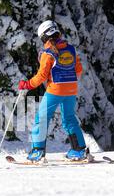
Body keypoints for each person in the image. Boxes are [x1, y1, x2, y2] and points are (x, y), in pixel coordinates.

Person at [18, 20, 87, 162]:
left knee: (41, 119)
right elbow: (78, 70)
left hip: (55, 90)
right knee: (69, 118)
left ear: (44, 37)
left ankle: (37, 151)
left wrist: (27, 85)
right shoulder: (71, 49)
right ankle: (79, 150)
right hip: (71, 89)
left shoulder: (48, 53)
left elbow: (41, 76)